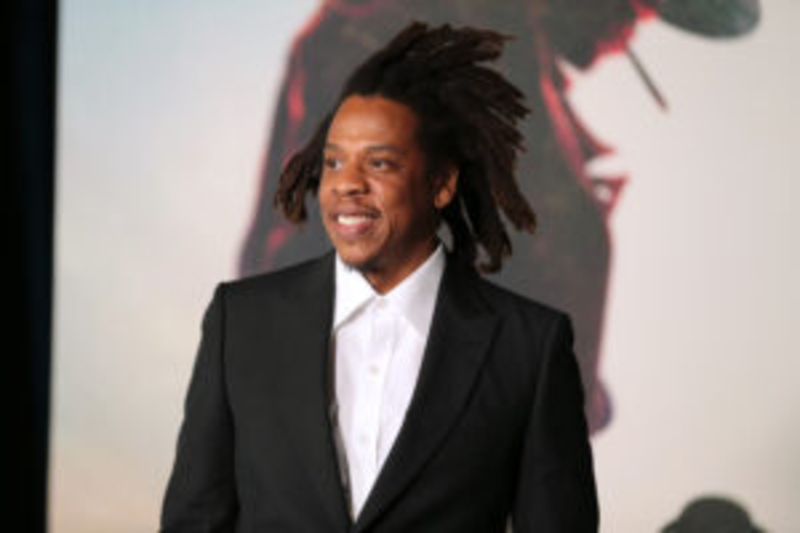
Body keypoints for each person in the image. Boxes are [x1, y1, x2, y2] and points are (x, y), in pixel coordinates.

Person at [160, 21, 598, 532]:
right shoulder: (241, 322)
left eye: (380, 163)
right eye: (333, 162)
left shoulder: (529, 347)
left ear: (441, 184)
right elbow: (195, 519)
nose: (346, 184)